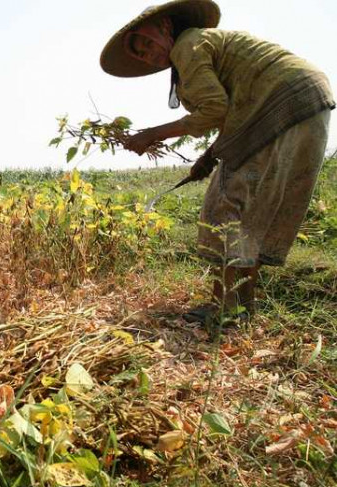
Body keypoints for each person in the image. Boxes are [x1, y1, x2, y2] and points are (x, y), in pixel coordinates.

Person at [100, 0, 334, 325]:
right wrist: (208, 158)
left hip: (278, 103)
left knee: (225, 209)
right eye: (141, 53)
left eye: (148, 43)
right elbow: (233, 117)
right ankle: (240, 310)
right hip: (308, 102)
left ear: (166, 28)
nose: (148, 54)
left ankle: (223, 306)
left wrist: (152, 134)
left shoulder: (188, 44)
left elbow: (214, 110)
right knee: (251, 214)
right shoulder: (198, 47)